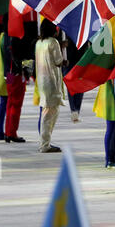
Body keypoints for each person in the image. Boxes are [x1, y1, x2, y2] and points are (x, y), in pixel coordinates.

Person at [36, 19, 65, 153]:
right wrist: (63, 50)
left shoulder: (39, 43)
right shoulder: (53, 43)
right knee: (49, 114)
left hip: (42, 81)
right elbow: (58, 61)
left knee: (50, 111)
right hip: (51, 81)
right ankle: (45, 144)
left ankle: (46, 141)